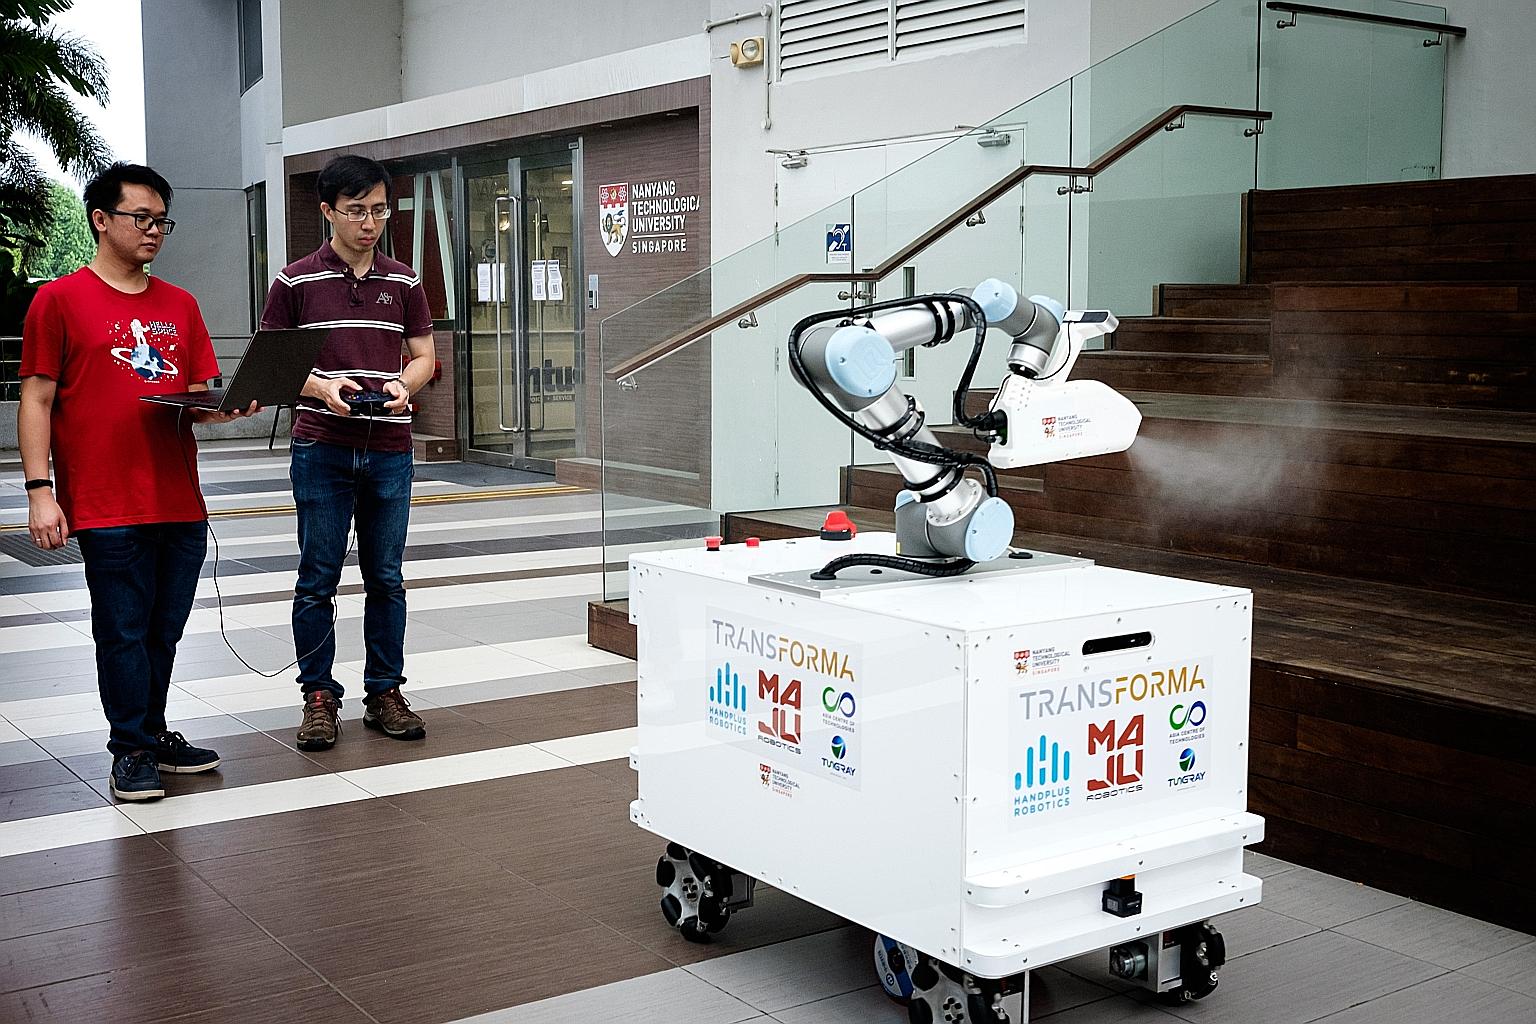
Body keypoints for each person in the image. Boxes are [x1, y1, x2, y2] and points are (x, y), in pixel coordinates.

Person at [18, 162, 260, 801]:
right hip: (103, 499)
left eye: (162, 221)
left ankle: (151, 732)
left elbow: (197, 398)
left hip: (177, 497)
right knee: (121, 627)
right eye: (141, 219)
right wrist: (40, 491)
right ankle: (129, 749)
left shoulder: (180, 304)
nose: (154, 231)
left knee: (164, 628)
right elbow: (36, 400)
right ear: (101, 219)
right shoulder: (58, 300)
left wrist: (229, 404)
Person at [259, 154, 435, 751]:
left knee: (386, 577)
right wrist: (322, 388)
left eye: (380, 210)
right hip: (321, 447)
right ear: (327, 210)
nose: (369, 223)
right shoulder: (295, 281)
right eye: (356, 211)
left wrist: (403, 387)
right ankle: (318, 697)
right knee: (318, 578)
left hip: (389, 447)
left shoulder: (404, 281)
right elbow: (274, 367)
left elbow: (424, 355)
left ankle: (385, 690)